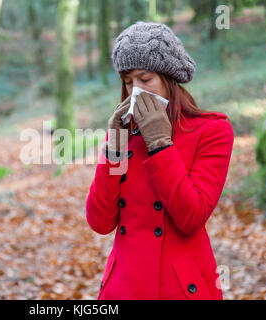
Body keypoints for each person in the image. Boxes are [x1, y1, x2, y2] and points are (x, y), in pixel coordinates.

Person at [85, 21, 234, 300]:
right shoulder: (126, 135)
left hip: (180, 287)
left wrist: (160, 144)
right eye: (129, 82)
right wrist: (115, 145)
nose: (136, 91)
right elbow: (100, 222)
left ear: (168, 78)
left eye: (145, 79)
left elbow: (191, 216)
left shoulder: (212, 131)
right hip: (124, 287)